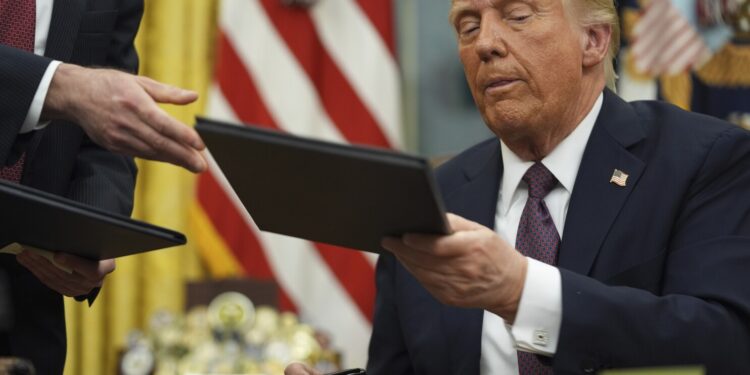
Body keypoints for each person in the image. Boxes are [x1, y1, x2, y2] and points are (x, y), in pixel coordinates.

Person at [287, 0, 750, 374]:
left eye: (518, 16)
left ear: (593, 39)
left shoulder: (701, 160)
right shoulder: (432, 198)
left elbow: (726, 344)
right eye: (468, 27)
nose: (485, 43)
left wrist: (522, 292)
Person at [0, 0, 206, 373]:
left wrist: (86, 240)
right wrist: (60, 86)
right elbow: (81, 94)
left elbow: (105, 139)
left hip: (27, 313)